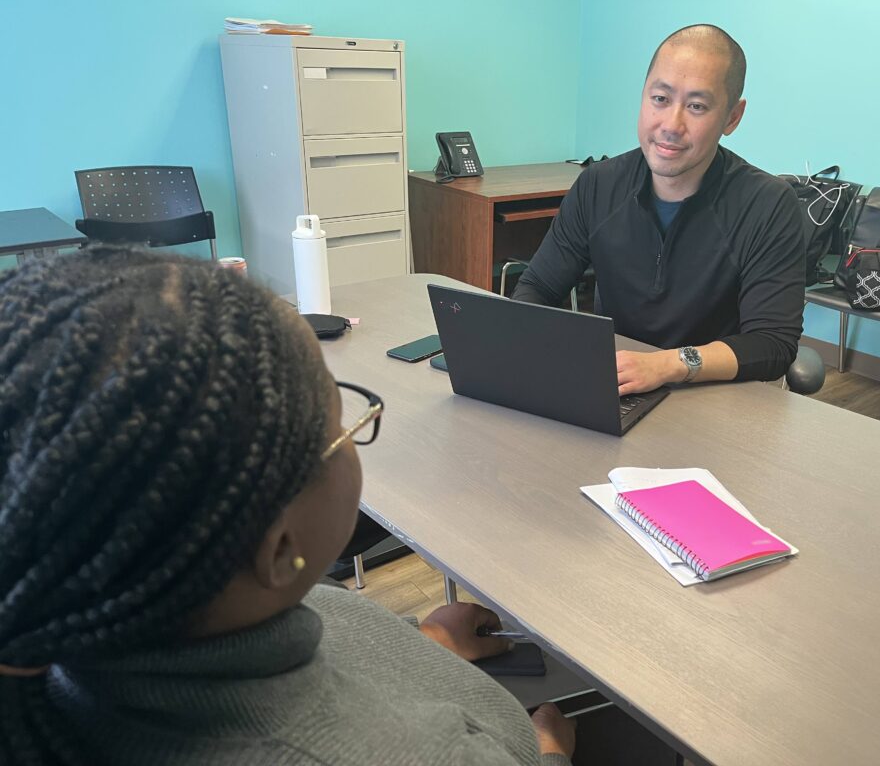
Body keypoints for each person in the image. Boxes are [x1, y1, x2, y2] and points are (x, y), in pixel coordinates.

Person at [0, 245, 574, 765]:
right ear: (278, 551)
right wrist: (549, 753)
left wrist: (428, 647)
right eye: (339, 423)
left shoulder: (84, 634)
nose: (353, 433)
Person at [513, 24, 805, 392]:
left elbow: (772, 344)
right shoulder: (598, 184)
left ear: (732, 117)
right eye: (660, 99)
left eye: (697, 106)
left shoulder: (768, 204)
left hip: (715, 398)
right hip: (618, 387)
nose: (671, 125)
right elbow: (538, 287)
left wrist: (667, 365)